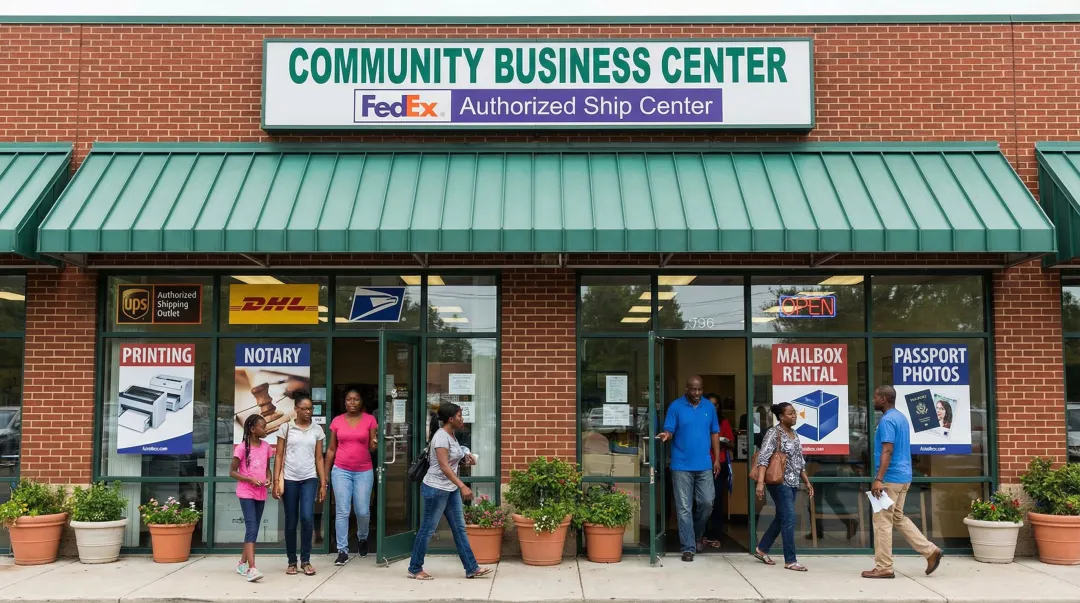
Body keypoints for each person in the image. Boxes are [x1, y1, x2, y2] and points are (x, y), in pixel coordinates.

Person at [863, 386, 944, 579]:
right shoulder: (900, 417)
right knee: (897, 517)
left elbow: (888, 450)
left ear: (883, 399)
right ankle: (930, 551)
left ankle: (884, 567)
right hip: (903, 477)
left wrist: (878, 479)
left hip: (890, 479)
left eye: (875, 397)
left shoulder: (887, 420)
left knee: (882, 522)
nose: (873, 400)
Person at [407, 402, 493, 580]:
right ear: (451, 419)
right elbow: (444, 466)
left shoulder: (451, 435)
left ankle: (472, 568)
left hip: (450, 488)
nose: (463, 419)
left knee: (459, 529)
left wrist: (465, 459)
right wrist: (462, 485)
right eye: (460, 416)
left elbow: (451, 461)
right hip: (436, 489)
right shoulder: (441, 437)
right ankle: (415, 568)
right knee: (428, 530)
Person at [658, 376, 721, 562]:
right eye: (693, 390)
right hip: (681, 465)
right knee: (684, 508)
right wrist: (666, 436)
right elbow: (669, 430)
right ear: (686, 389)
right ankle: (688, 548)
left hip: (704, 464)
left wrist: (717, 459)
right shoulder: (676, 406)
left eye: (700, 389)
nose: (697, 393)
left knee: (707, 502)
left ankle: (695, 533)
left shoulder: (708, 407)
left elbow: (715, 432)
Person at [754, 402, 812, 572]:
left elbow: (799, 461)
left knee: (782, 517)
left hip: (793, 482)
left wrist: (807, 482)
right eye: (790, 413)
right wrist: (760, 483)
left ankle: (762, 548)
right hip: (779, 482)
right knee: (789, 518)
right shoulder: (774, 433)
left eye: (794, 413)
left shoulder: (794, 434)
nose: (794, 416)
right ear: (780, 416)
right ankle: (790, 560)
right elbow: (763, 458)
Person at [273, 394, 326, 576]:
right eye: (304, 408)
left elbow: (319, 458)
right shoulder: (286, 427)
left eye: (310, 408)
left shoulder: (317, 430)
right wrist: (276, 481)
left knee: (307, 517)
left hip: (309, 478)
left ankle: (306, 560)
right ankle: (291, 561)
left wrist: (323, 483)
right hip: (290, 479)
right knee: (291, 520)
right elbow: (279, 456)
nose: (308, 412)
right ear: (296, 409)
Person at [325, 388, 378, 565]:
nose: (352, 402)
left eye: (356, 399)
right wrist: (325, 473)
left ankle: (362, 537)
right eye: (349, 399)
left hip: (364, 470)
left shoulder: (370, 420)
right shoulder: (337, 421)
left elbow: (372, 446)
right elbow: (331, 449)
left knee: (362, 510)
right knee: (342, 511)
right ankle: (342, 550)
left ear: (361, 401)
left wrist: (376, 442)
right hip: (341, 470)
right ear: (345, 402)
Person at [230, 414, 272, 583]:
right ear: (253, 429)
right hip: (246, 492)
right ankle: (252, 568)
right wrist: (249, 479)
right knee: (252, 528)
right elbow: (232, 472)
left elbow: (267, 468)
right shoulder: (241, 448)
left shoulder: (266, 446)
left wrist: (269, 479)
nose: (266, 429)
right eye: (263, 427)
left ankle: (242, 563)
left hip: (260, 493)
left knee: (252, 529)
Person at [703, 393, 735, 549]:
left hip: (719, 464)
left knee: (716, 500)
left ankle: (715, 535)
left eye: (715, 404)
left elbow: (732, 444)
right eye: (710, 404)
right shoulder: (700, 419)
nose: (713, 407)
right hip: (702, 464)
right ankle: (701, 534)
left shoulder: (724, 422)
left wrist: (723, 442)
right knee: (702, 501)